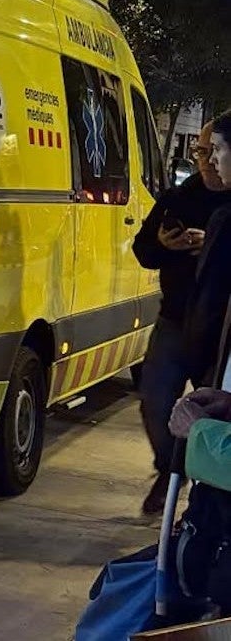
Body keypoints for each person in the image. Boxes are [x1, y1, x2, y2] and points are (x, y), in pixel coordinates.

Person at [134, 119, 231, 514]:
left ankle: (203, 493)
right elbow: (143, 251)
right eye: (201, 152)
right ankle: (170, 467)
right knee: (156, 402)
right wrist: (163, 244)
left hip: (221, 329)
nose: (207, 161)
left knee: (215, 413)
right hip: (176, 321)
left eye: (215, 151)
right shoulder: (179, 197)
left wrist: (213, 246)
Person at [185, 111, 231, 392]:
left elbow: (210, 303)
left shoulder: (225, 221)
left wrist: (201, 368)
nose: (212, 161)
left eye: (217, 149)